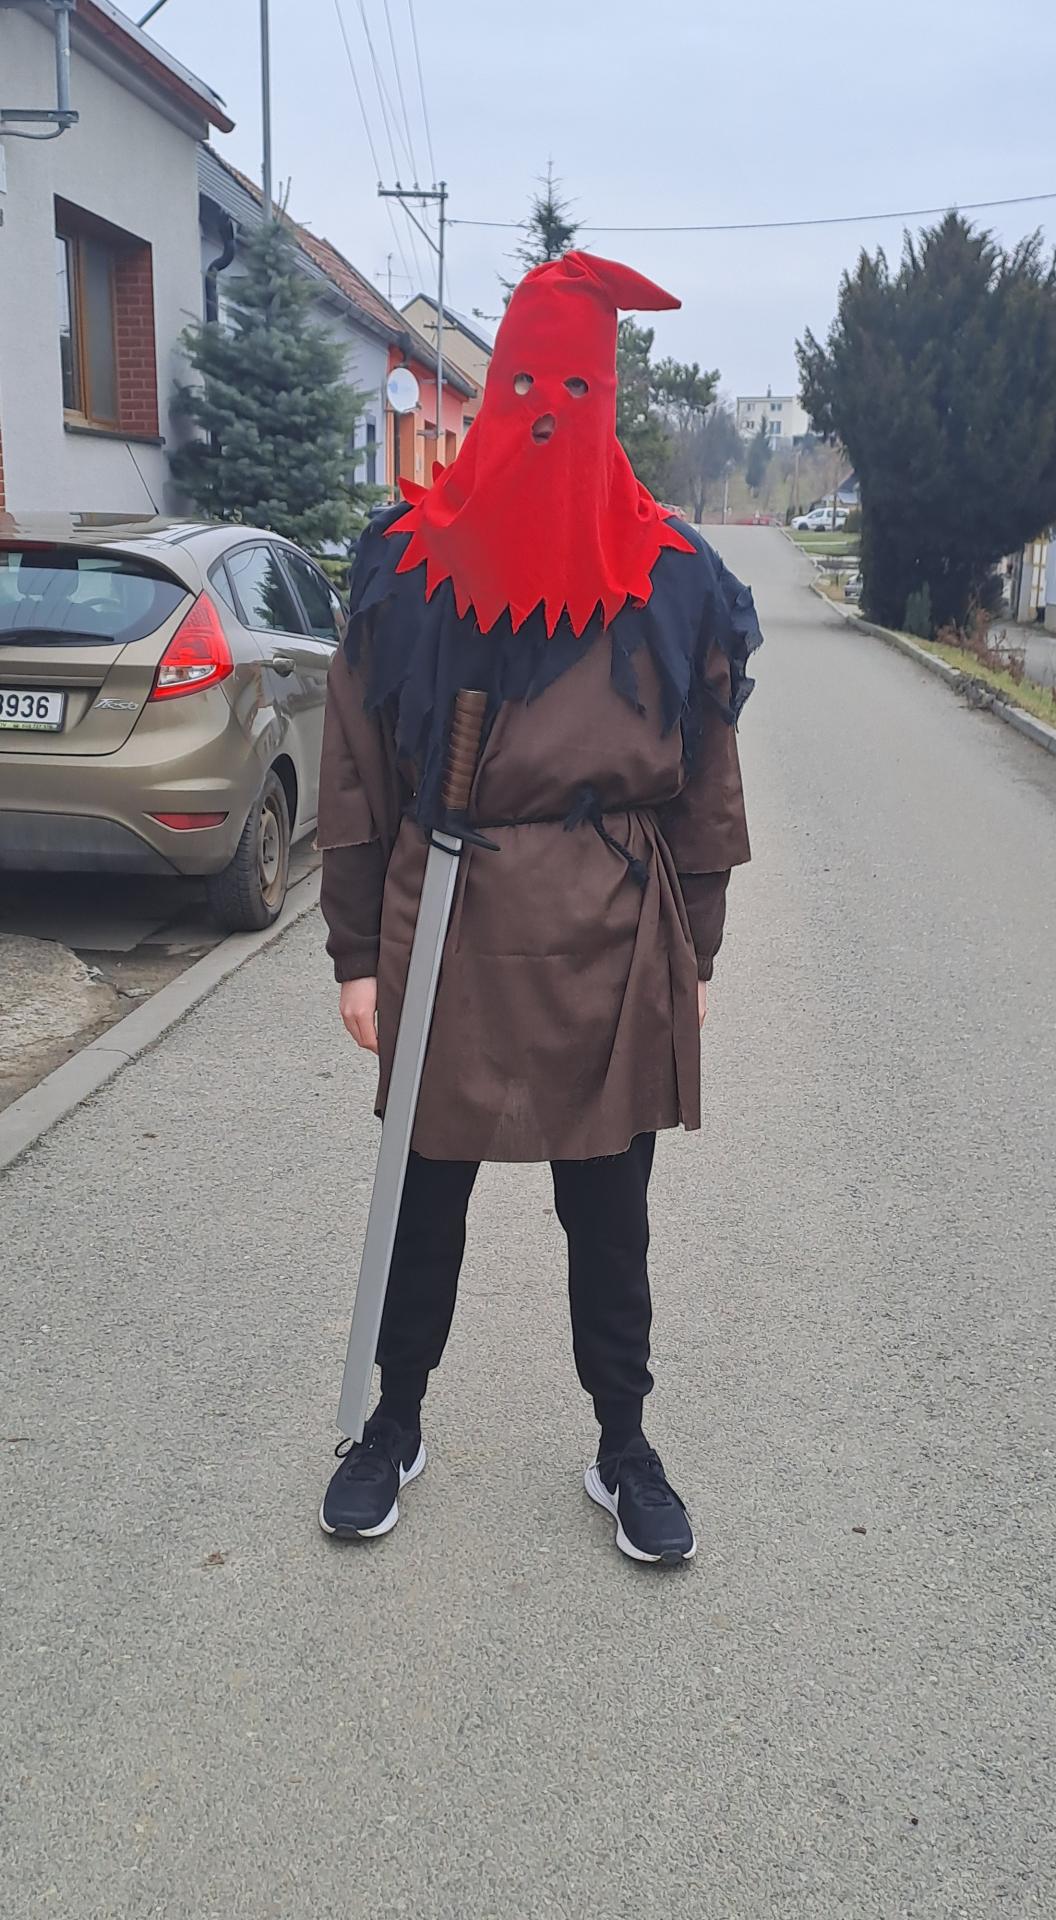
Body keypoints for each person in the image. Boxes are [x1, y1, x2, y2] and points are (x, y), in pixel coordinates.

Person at [317, 251, 760, 1564]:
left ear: (606, 400)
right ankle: (392, 1423)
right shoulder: (405, 564)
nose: (549, 415)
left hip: (614, 925)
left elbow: (709, 784)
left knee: (610, 1211)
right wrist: (354, 953)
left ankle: (624, 1444)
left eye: (576, 391)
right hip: (445, 909)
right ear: (496, 383)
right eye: (526, 388)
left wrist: (698, 953)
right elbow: (356, 772)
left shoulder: (674, 576)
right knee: (422, 1195)